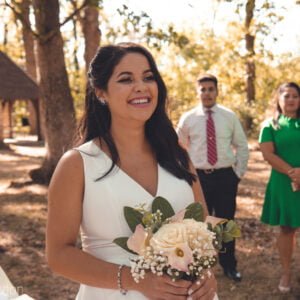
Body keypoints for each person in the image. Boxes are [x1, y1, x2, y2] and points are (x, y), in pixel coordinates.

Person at [46, 43, 218, 300]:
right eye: (126, 79)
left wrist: (207, 274)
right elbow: (58, 255)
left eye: (148, 77)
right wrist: (136, 280)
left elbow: (205, 227)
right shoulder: (77, 163)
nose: (141, 86)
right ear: (101, 92)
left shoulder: (177, 154)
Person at [177, 74, 249, 282]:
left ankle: (228, 265)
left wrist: (237, 174)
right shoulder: (188, 118)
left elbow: (242, 146)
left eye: (211, 89)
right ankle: (197, 266)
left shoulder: (229, 116)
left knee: (226, 222)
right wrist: (186, 176)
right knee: (199, 222)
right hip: (199, 177)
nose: (207, 93)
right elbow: (179, 150)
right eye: (203, 89)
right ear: (197, 92)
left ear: (217, 91)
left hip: (226, 176)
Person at [259, 82, 300, 293]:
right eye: (287, 96)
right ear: (279, 100)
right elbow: (267, 154)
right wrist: (293, 173)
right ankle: (286, 271)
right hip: (284, 183)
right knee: (287, 228)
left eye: (295, 95)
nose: (291, 99)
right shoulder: (270, 125)